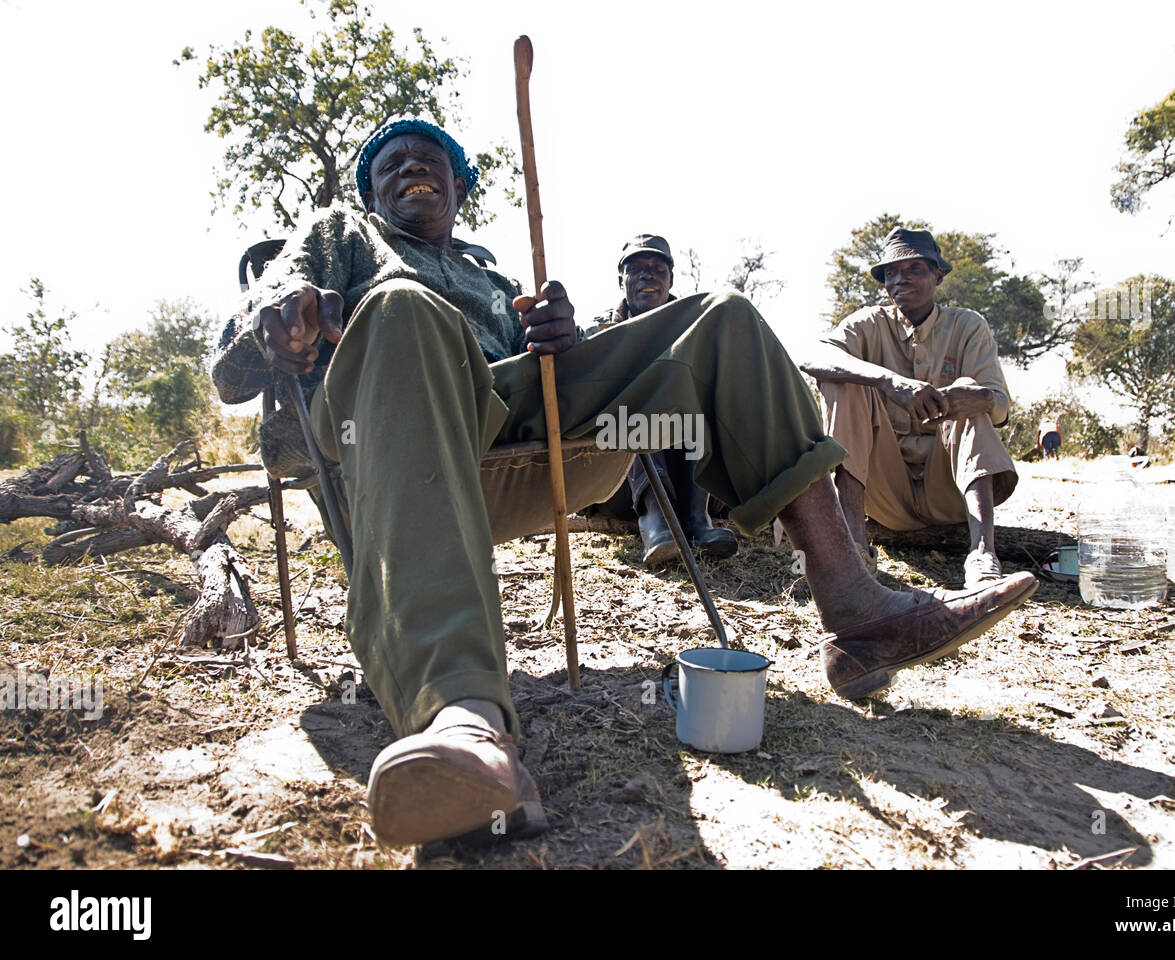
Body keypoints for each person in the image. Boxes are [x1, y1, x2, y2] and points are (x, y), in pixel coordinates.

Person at [212, 120, 1038, 848]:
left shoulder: (490, 273)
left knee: (723, 314)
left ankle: (855, 608)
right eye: (390, 163)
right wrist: (276, 319)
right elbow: (231, 362)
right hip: (402, 448)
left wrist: (557, 337)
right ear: (368, 191)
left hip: (546, 449)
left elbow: (540, 378)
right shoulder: (342, 236)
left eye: (431, 160)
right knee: (397, 306)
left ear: (462, 187)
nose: (410, 169)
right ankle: (462, 718)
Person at [800, 227, 1020, 590]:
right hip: (884, 494)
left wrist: (970, 399)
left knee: (970, 392)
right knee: (846, 377)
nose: (901, 279)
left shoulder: (967, 325)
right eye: (891, 272)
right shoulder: (868, 323)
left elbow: (998, 405)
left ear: (938, 274)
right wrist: (888, 381)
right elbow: (813, 356)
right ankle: (854, 545)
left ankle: (983, 553)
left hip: (949, 491)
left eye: (914, 268)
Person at [583, 233, 738, 567]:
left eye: (657, 268)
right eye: (636, 268)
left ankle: (698, 520)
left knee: (692, 382)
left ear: (671, 279)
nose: (647, 274)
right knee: (636, 391)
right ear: (620, 279)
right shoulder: (597, 335)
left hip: (693, 478)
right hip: (618, 483)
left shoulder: (695, 328)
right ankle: (656, 517)